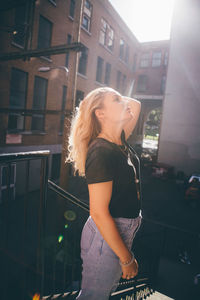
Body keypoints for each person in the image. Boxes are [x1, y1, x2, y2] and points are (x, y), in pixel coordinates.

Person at [66, 87, 142, 299]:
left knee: (102, 293)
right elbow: (98, 212)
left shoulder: (119, 139)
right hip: (105, 236)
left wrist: (110, 101)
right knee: (94, 296)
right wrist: (127, 258)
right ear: (100, 113)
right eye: (116, 100)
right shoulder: (101, 151)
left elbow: (136, 104)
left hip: (119, 231)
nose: (125, 103)